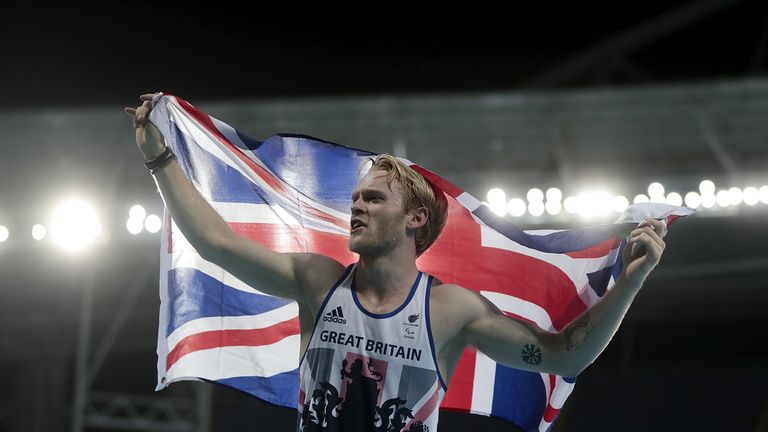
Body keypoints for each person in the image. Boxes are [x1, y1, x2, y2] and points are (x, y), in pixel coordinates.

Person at [126, 93, 667, 432]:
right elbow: (216, 243)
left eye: (373, 198)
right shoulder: (317, 281)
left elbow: (561, 358)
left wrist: (633, 279)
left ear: (414, 220)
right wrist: (160, 157)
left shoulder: (450, 312)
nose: (356, 205)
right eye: (355, 197)